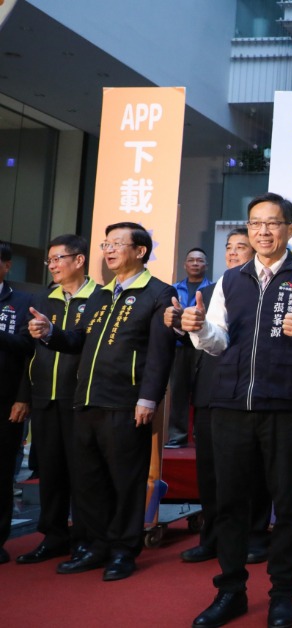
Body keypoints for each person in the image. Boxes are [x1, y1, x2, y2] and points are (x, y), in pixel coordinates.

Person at [182, 193, 292, 628]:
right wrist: (199, 328)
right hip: (230, 406)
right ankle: (230, 591)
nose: (263, 231)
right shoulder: (230, 279)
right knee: (229, 503)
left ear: (290, 229)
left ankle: (283, 594)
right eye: (255, 223)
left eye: (273, 223)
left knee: (286, 505)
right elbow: (218, 341)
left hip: (284, 406)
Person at [29, 223, 177, 581]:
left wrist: (148, 398)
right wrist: (51, 333)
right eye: (106, 244)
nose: (109, 250)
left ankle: (123, 551)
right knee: (88, 481)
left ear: (140, 251)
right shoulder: (102, 294)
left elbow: (161, 353)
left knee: (126, 482)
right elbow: (79, 340)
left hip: (125, 403)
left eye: (117, 244)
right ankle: (95, 546)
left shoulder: (158, 292)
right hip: (86, 401)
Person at [172, 229, 271, 566]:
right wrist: (180, 326)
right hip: (209, 392)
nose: (232, 252)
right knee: (210, 471)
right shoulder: (211, 290)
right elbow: (196, 342)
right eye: (229, 247)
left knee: (253, 469)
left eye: (241, 246)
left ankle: (255, 536)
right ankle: (212, 537)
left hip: (246, 392)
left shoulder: (265, 290)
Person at [12, 235, 94, 566]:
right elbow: (27, 352)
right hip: (45, 397)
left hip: (81, 399)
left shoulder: (100, 298)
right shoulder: (43, 299)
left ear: (79, 260)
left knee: (84, 473)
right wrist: (24, 396)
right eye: (50, 260)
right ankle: (54, 536)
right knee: (50, 471)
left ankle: (86, 538)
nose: (53, 266)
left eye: (58, 259)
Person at [0, 241, 35, 564]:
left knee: (2, 472)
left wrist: (23, 397)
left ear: (7, 265)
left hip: (6, 400)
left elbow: (29, 351)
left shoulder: (22, 302)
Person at [167, 247, 212, 448]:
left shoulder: (213, 289)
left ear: (206, 265)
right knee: (178, 391)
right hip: (179, 347)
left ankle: (200, 434)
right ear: (185, 265)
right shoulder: (173, 289)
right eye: (191, 260)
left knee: (203, 390)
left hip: (203, 346)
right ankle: (177, 436)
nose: (195, 263)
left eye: (199, 260)